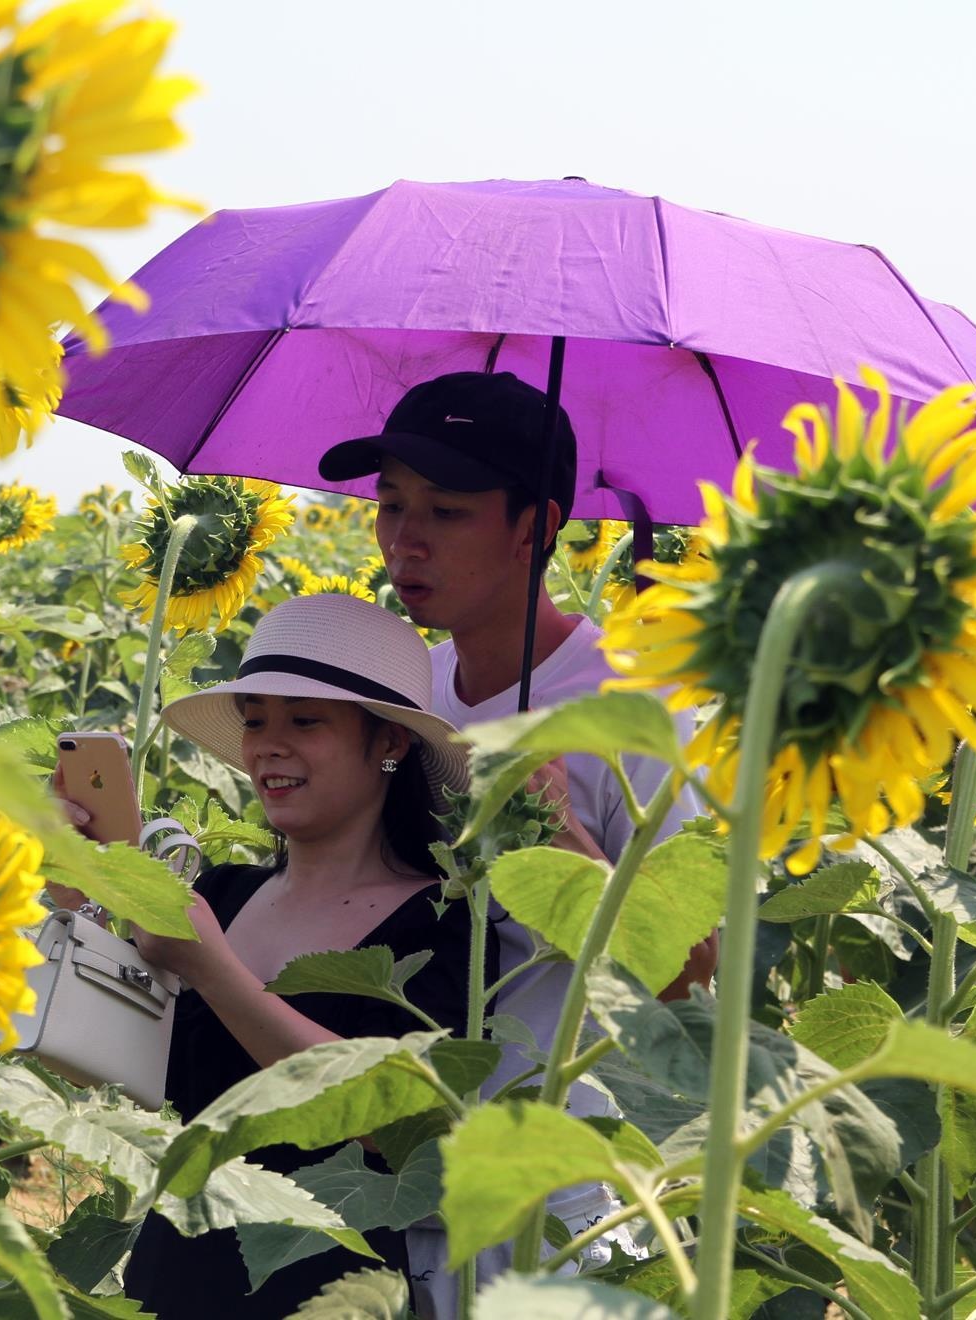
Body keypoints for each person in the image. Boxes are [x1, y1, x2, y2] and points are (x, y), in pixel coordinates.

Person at [320, 371, 712, 1297]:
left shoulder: (635, 705)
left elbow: (692, 965)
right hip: (414, 1164)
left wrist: (564, 836)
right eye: (390, 506)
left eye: (446, 512)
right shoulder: (411, 686)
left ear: (534, 525)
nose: (403, 542)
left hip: (571, 1184)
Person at [58, 593, 490, 1318]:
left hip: (325, 1297)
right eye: (256, 720)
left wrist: (213, 970)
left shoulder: (440, 922)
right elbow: (103, 1065)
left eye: (304, 720)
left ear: (389, 743)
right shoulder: (223, 892)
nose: (268, 745)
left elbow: (396, 1131)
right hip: (173, 1279)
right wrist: (76, 890)